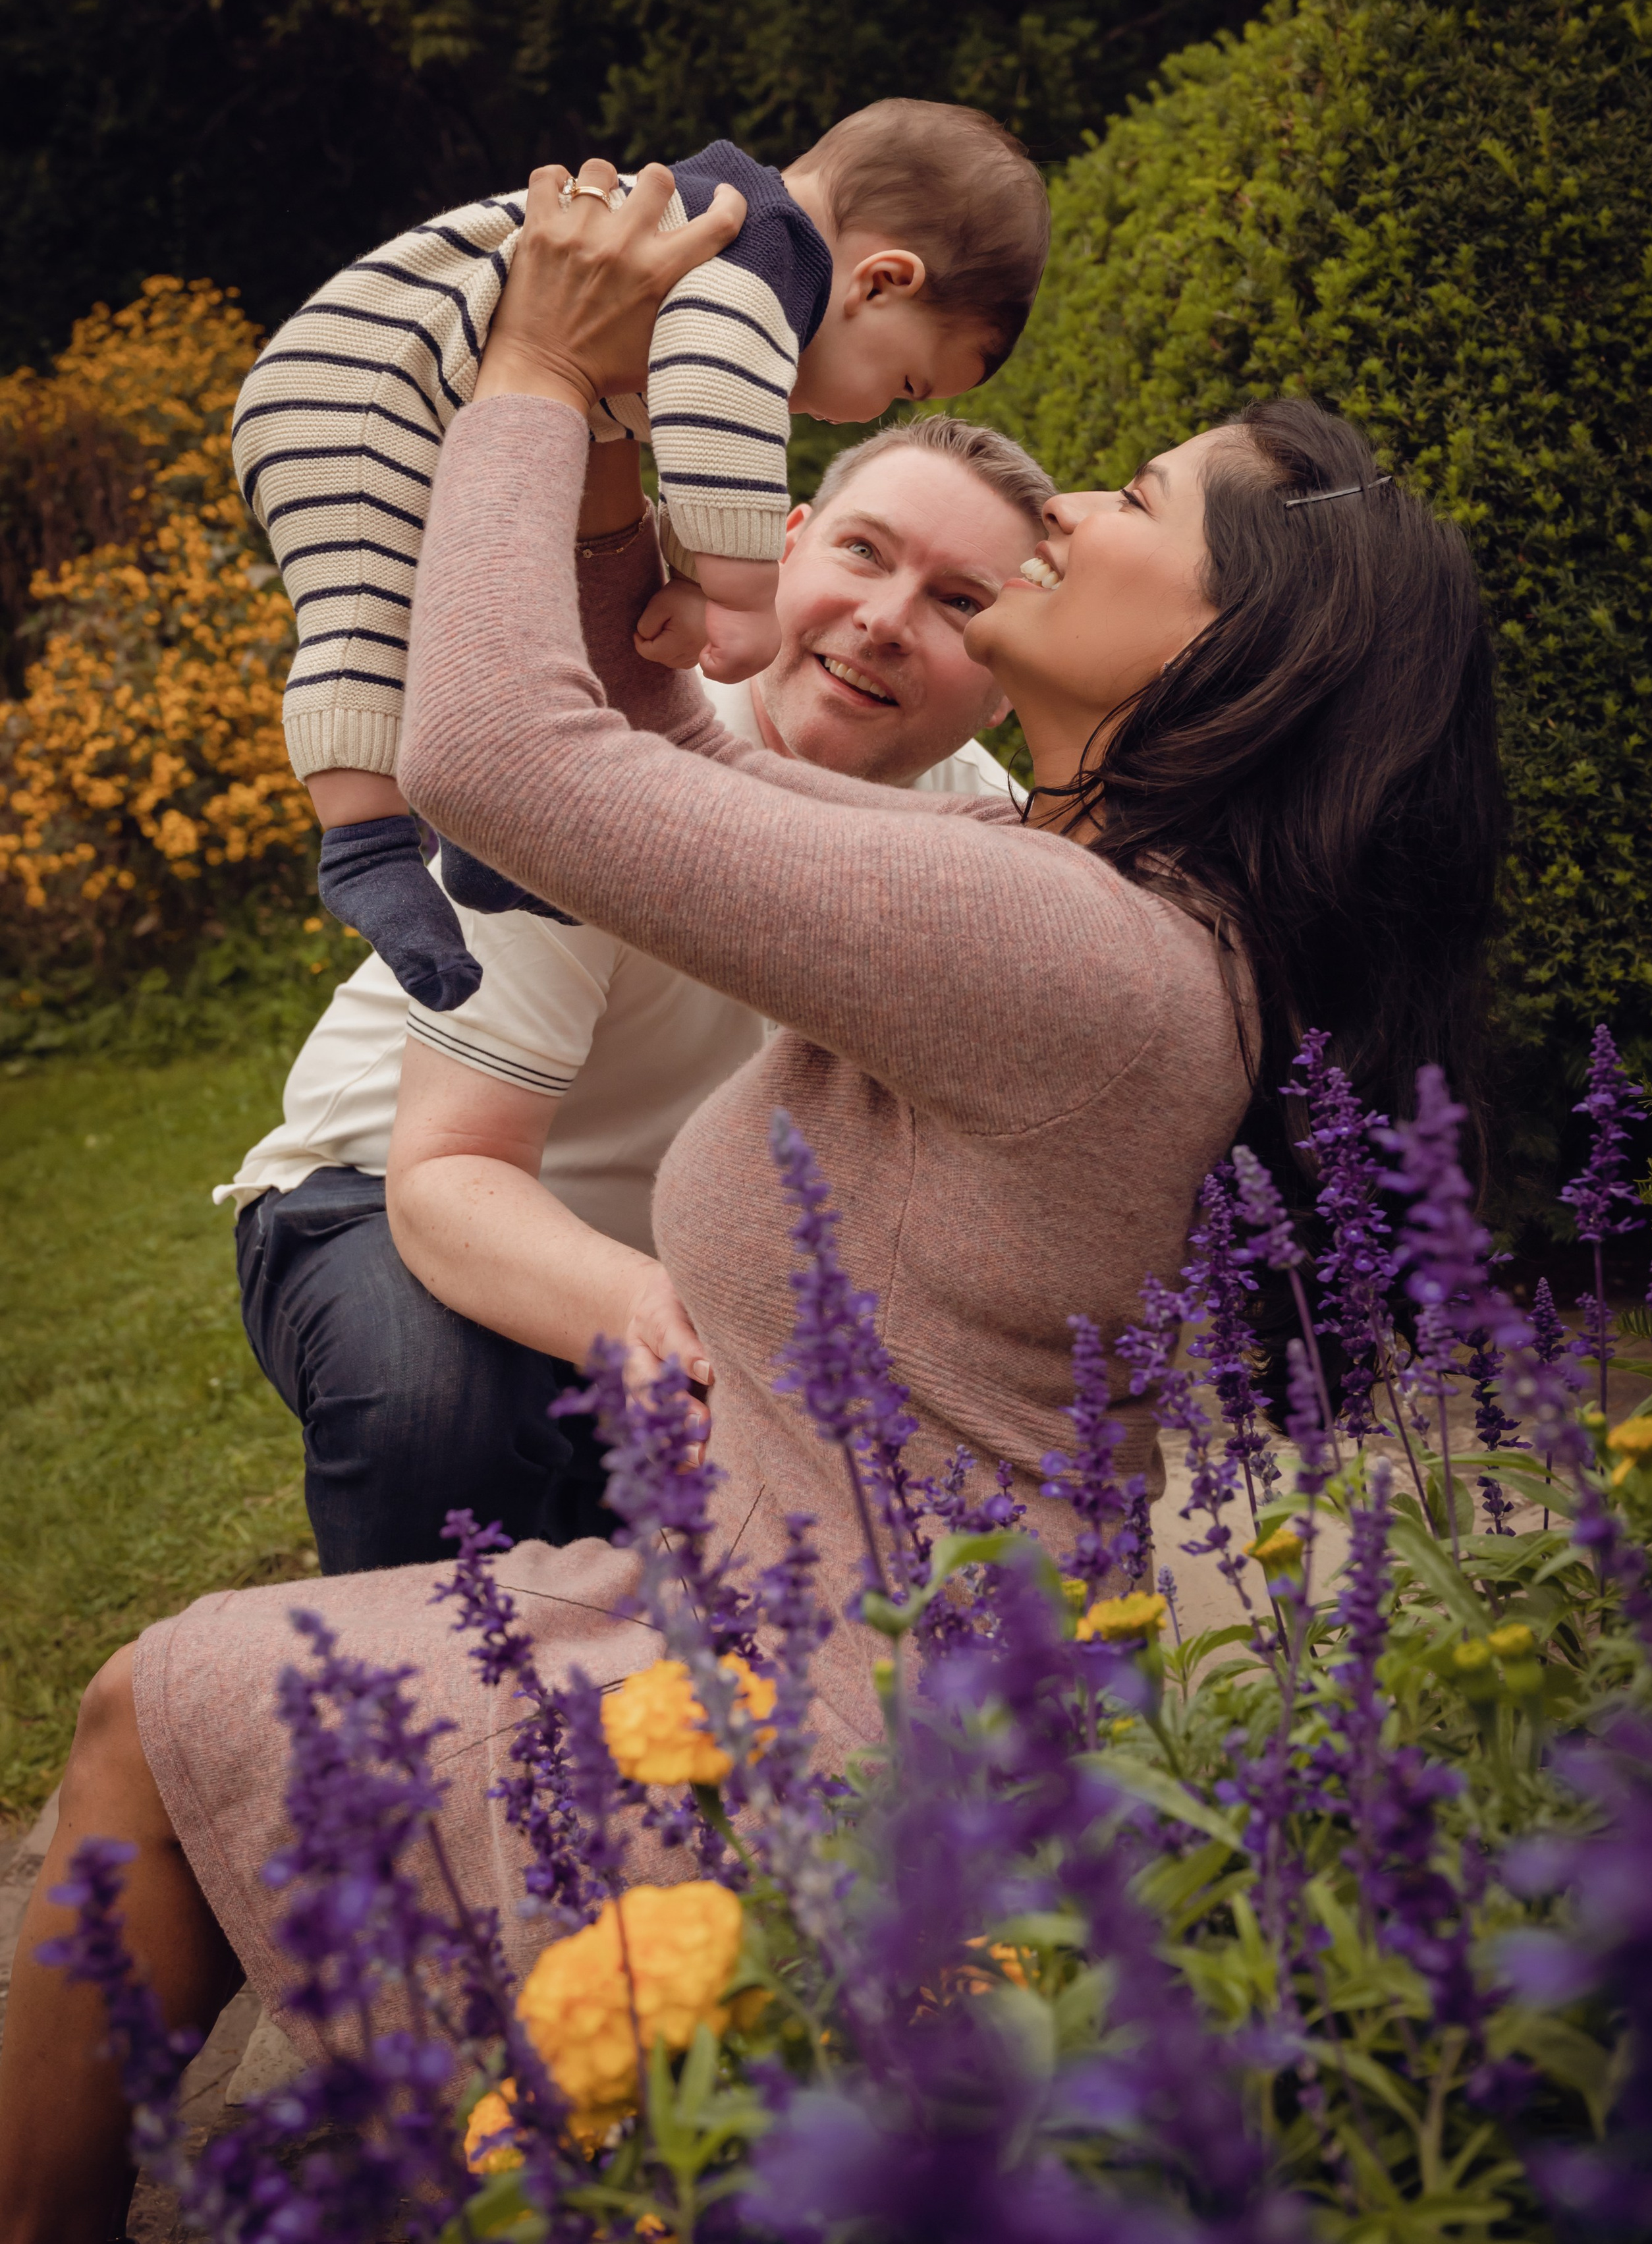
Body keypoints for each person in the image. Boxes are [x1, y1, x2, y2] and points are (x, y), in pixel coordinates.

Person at [0, 163, 1503, 2244]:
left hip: (845, 1727)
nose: (1068, 515)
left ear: (1236, 648)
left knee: (166, 1725)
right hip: (785, 1609)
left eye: (1131, 504)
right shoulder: (1108, 916)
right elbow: (658, 732)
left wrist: (527, 358)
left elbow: (495, 757)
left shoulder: (1069, 947)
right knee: (154, 1714)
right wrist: (618, 430)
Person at [222, 416, 1043, 1574]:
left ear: (1011, 680)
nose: (887, 620)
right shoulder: (598, 750)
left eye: (961, 602)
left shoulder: (990, 841)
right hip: (393, 1192)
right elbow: (448, 1176)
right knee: (441, 1408)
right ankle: (421, 1726)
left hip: (691, 1253)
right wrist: (671, 1324)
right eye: (864, 551)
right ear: (784, 547)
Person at [233, 100, 1050, 1014]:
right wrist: (742, 598)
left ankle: (479, 844)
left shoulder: (733, 246)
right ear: (882, 282)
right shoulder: (755, 256)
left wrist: (688, 574)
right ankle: (366, 844)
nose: (874, 413)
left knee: (505, 607)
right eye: (905, 384)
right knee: (373, 604)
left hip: (429, 389)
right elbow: (714, 411)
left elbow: (645, 447)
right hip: (355, 388)